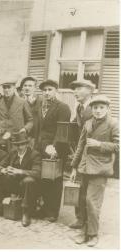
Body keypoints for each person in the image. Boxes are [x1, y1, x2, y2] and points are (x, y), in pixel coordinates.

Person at [70, 95, 118, 247]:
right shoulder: (88, 123)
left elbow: (118, 146)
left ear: (107, 108)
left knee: (92, 202)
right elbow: (80, 145)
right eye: (95, 108)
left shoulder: (113, 123)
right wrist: (74, 167)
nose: (98, 111)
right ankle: (84, 232)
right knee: (83, 200)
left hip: (100, 169)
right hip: (84, 167)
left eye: (101, 107)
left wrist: (99, 144)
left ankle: (93, 235)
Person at [0, 132, 41, 227]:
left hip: (28, 187)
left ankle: (26, 212)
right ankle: (0, 205)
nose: (19, 147)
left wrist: (19, 171)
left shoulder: (34, 154)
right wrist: (4, 170)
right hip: (13, 184)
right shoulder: (13, 153)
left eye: (22, 145)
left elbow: (37, 173)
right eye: (17, 145)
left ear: (27, 144)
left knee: (29, 181)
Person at [35, 80, 71, 222]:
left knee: (55, 180)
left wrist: (54, 147)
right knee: (43, 178)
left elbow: (62, 131)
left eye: (50, 89)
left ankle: (52, 211)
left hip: (56, 148)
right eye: (44, 90)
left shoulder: (63, 107)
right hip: (41, 147)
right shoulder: (40, 106)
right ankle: (44, 208)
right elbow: (39, 128)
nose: (47, 92)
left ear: (56, 90)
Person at [69, 79, 95, 229]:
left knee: (88, 190)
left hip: (91, 154)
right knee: (79, 186)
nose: (75, 92)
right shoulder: (79, 108)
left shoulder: (94, 109)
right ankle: (80, 218)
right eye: (74, 89)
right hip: (80, 151)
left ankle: (88, 221)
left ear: (89, 90)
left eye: (79, 88)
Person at [0, 80, 33, 151]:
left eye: (9, 87)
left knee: (16, 159)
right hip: (2, 138)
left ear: (14, 88)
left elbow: (30, 121)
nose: (6, 90)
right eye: (4, 88)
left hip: (18, 137)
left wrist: (25, 129)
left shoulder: (22, 102)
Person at [19, 76, 42, 145]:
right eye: (25, 85)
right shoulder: (18, 101)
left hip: (35, 136)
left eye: (30, 86)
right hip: (21, 134)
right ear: (22, 88)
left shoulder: (41, 101)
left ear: (35, 88)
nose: (27, 88)